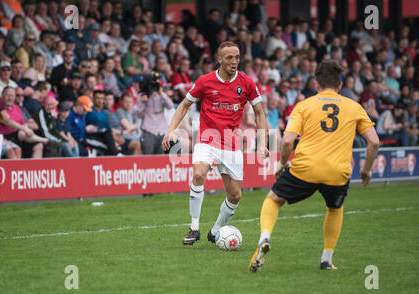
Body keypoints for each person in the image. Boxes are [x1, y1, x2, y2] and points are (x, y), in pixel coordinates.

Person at [249, 59, 379, 272]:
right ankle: (326, 259)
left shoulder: (304, 106)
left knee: (274, 199)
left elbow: (288, 140)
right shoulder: (354, 107)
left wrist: (282, 163)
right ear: (340, 85)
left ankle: (264, 238)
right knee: (335, 208)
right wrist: (366, 170)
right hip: (338, 171)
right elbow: (374, 141)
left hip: (305, 167)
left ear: (316, 84)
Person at [162, 41, 269, 245]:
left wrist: (263, 141)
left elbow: (259, 112)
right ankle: (194, 228)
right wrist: (171, 130)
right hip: (207, 140)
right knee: (199, 174)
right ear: (219, 59)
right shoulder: (205, 81)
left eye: (237, 57)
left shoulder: (246, 83)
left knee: (235, 196)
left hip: (231, 144)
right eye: (229, 57)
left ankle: (216, 230)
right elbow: (184, 105)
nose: (234, 61)